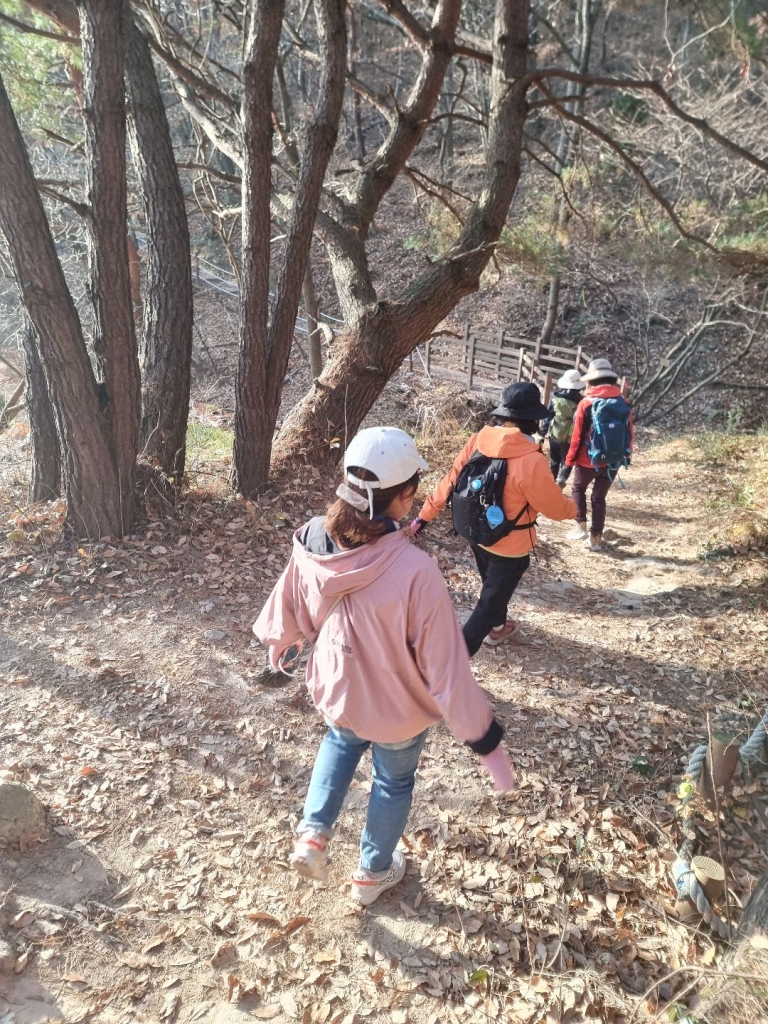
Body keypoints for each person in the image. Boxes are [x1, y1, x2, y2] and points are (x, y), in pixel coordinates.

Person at [253, 427, 515, 906]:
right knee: (392, 781)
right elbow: (447, 669)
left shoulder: (314, 536)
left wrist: (282, 641)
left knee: (339, 742)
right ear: (405, 496)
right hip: (398, 708)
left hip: (340, 684)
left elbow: (290, 593)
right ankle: (372, 874)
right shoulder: (417, 573)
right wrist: (487, 743)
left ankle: (312, 835)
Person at [411, 383, 578, 655]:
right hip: (511, 546)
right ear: (533, 420)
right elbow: (555, 509)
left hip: (476, 532)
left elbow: (450, 481)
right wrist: (575, 509)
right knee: (488, 605)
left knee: (493, 590)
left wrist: (422, 518)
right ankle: (451, 663)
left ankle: (498, 628)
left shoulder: (478, 440)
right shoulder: (531, 461)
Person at [564, 358, 634, 552]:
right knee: (599, 498)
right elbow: (629, 432)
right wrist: (626, 457)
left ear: (591, 381)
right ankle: (596, 540)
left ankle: (580, 527)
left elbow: (577, 437)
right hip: (614, 461)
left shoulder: (586, 403)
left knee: (578, 489)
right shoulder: (623, 402)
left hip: (589, 460)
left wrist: (568, 463)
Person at [539, 369, 586, 488]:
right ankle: (562, 478)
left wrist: (542, 434)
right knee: (567, 461)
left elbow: (547, 417)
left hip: (555, 434)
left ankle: (551, 483)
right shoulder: (581, 401)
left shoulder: (555, 398)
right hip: (571, 436)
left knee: (554, 460)